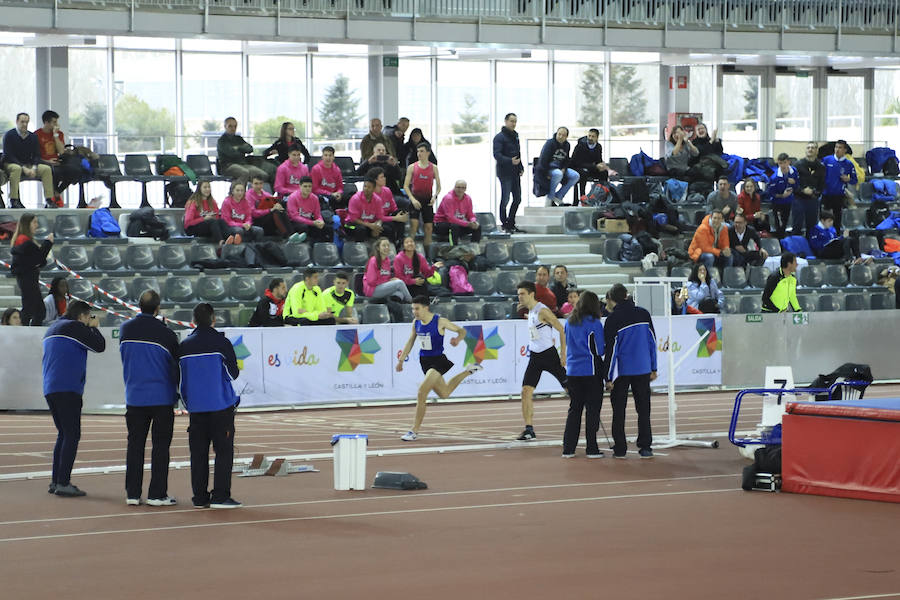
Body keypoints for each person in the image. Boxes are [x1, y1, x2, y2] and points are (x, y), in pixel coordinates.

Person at [178, 303, 242, 509]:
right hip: (220, 407)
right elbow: (233, 374)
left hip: (196, 409)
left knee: (198, 454)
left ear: (193, 320)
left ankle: (199, 497)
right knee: (223, 452)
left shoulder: (184, 346)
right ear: (214, 319)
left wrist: (190, 403)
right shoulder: (221, 343)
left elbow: (180, 382)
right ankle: (220, 496)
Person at [119, 290, 180, 507]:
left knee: (134, 446)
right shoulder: (166, 334)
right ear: (157, 308)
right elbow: (176, 366)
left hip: (134, 396)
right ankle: (157, 494)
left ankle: (132, 493)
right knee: (160, 447)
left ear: (138, 305)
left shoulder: (125, 329)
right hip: (161, 398)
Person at [396, 296, 483, 441]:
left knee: (422, 392)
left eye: (417, 308)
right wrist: (401, 360)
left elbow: (462, 331)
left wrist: (457, 340)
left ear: (426, 308)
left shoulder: (440, 321)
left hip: (438, 361)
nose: (414, 312)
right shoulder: (416, 323)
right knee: (445, 393)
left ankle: (414, 431)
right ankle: (469, 370)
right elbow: (411, 341)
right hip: (424, 361)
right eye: (412, 309)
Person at [42, 300, 106, 496]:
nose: (89, 320)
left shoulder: (53, 328)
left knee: (63, 434)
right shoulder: (75, 327)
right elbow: (99, 346)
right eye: (88, 317)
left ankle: (56, 480)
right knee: (71, 434)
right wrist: (95, 328)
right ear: (81, 316)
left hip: (51, 387)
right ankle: (63, 482)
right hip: (68, 387)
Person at [602, 283, 656, 459]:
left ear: (612, 299)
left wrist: (607, 377)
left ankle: (620, 448)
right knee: (644, 409)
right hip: (643, 368)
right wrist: (653, 367)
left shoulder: (612, 320)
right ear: (627, 295)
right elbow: (652, 342)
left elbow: (611, 351)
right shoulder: (644, 313)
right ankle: (646, 446)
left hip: (621, 372)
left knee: (619, 410)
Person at [515, 281, 567, 441]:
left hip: (549, 355)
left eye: (522, 294)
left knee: (571, 389)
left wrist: (563, 354)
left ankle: (590, 414)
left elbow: (561, 329)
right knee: (526, 391)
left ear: (531, 294)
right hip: (535, 357)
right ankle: (529, 429)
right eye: (518, 294)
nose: (519, 297)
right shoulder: (530, 310)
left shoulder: (542, 310)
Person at [562, 290, 606, 458]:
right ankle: (591, 448)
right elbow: (599, 349)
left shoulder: (569, 322)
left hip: (572, 370)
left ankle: (568, 448)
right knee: (592, 410)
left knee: (574, 409)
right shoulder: (594, 323)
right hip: (590, 370)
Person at [2, 113, 56, 209]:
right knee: (17, 168)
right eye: (22, 122)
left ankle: (49, 199)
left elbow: (37, 155)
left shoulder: (33, 137)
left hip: (28, 164)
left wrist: (34, 168)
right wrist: (24, 168)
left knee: (46, 169)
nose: (24, 124)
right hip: (11, 163)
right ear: (17, 122)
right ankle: (14, 200)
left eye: (26, 122)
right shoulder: (9, 135)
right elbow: (9, 155)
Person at [10, 213, 54, 326]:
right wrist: (48, 243)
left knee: (38, 311)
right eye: (34, 222)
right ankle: (24, 334)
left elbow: (37, 260)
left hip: (29, 278)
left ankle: (29, 333)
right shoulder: (24, 241)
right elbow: (39, 258)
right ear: (27, 224)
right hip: (27, 279)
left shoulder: (23, 240)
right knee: (31, 310)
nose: (37, 225)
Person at [345, 176, 408, 245]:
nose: (366, 189)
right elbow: (354, 219)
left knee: (387, 229)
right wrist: (370, 225)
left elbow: (380, 217)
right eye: (365, 186)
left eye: (369, 187)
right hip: (352, 225)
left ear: (373, 189)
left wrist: (377, 226)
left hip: (370, 224)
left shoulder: (377, 200)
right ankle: (360, 252)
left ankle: (394, 246)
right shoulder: (355, 199)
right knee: (361, 229)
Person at [403, 142, 442, 252]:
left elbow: (439, 187)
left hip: (428, 200)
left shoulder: (433, 168)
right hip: (415, 199)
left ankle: (428, 253)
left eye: (422, 151)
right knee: (414, 226)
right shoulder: (412, 167)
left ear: (428, 153)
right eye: (418, 151)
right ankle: (409, 251)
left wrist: (435, 196)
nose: (419, 154)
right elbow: (405, 186)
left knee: (429, 228)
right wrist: (412, 199)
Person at [36, 110, 80, 200]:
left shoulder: (59, 134)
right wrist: (47, 162)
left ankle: (57, 192)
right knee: (54, 173)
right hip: (44, 162)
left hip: (57, 162)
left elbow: (61, 151)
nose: (57, 125)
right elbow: (35, 156)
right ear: (46, 122)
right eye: (54, 122)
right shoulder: (37, 135)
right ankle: (52, 197)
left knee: (75, 171)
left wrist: (55, 135)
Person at [493, 112, 525, 233]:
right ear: (506, 121)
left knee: (517, 198)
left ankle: (511, 222)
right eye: (511, 121)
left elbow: (518, 153)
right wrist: (510, 161)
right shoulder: (499, 137)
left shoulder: (515, 136)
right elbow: (497, 155)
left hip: (515, 172)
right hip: (504, 172)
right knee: (505, 198)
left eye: (515, 121)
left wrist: (520, 166)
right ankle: (504, 223)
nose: (513, 124)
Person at [217, 117, 269, 184]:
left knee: (262, 175)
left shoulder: (239, 138)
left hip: (243, 164)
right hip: (228, 166)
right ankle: (237, 193)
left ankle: (252, 193)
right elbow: (231, 153)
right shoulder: (222, 141)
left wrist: (237, 148)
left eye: (235, 126)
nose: (233, 128)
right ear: (225, 126)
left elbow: (250, 149)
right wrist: (242, 149)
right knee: (244, 173)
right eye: (230, 126)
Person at [537, 127, 580, 207]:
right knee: (558, 174)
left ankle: (559, 195)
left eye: (563, 135)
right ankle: (550, 197)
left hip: (560, 168)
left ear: (566, 137)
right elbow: (543, 160)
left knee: (575, 176)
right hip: (549, 168)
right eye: (559, 134)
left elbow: (567, 159)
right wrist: (546, 173)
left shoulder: (567, 145)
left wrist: (564, 168)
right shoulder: (550, 143)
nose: (560, 136)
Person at [821, 140, 857, 231]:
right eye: (836, 147)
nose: (837, 150)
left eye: (840, 148)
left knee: (837, 218)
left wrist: (848, 179)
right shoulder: (826, 160)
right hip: (826, 194)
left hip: (839, 195)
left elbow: (854, 180)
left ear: (845, 150)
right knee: (824, 218)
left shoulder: (849, 164)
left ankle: (836, 237)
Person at [363, 237, 412, 302]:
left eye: (388, 245)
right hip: (372, 290)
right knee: (399, 283)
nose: (386, 247)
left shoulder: (387, 261)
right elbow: (371, 282)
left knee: (399, 294)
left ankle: (392, 308)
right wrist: (389, 282)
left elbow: (385, 277)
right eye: (384, 245)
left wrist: (390, 280)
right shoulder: (373, 260)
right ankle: (412, 302)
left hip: (382, 288)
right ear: (378, 248)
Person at [434, 180, 481, 245]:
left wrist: (473, 221)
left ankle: (474, 248)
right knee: (454, 226)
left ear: (465, 189)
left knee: (477, 227)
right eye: (458, 187)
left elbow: (470, 214)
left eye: (463, 188)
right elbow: (450, 218)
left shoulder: (468, 198)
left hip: (458, 224)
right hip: (441, 224)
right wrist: (467, 224)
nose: (460, 190)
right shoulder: (448, 198)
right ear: (454, 187)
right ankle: (454, 249)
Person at [286, 176, 331, 244]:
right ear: (300, 186)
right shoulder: (292, 197)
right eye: (305, 186)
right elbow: (294, 217)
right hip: (294, 223)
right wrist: (312, 223)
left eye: (310, 186)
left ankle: (323, 248)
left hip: (309, 222)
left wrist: (320, 221)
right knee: (304, 227)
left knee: (327, 228)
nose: (308, 188)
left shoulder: (315, 198)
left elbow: (317, 214)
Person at [793, 141, 825, 236]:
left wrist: (814, 192)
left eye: (813, 148)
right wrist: (802, 190)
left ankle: (810, 249)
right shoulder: (797, 165)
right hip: (799, 200)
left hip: (813, 201)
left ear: (817, 151)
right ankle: (796, 249)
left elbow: (822, 185)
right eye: (808, 148)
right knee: (797, 226)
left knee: (811, 228)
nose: (810, 149)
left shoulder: (821, 167)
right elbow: (792, 184)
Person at [571, 128, 610, 199]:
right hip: (579, 167)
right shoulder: (580, 146)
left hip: (591, 168)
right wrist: (595, 166)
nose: (590, 138)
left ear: (597, 138)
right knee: (584, 173)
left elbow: (598, 160)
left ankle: (601, 195)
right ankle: (582, 197)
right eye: (589, 136)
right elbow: (576, 162)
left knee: (604, 173)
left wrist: (601, 165)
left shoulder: (598, 146)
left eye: (593, 136)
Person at [768, 153, 797, 236]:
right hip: (777, 203)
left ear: (789, 162)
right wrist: (782, 196)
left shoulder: (793, 171)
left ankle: (784, 239)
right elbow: (771, 193)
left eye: (784, 162)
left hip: (789, 201)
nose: (783, 165)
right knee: (779, 225)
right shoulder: (774, 177)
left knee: (785, 222)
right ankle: (779, 240)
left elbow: (798, 185)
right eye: (780, 163)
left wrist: (794, 183)